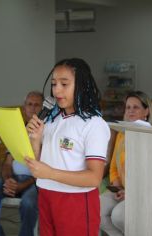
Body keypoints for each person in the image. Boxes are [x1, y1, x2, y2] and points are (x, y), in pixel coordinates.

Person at [25, 58, 111, 236]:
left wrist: (50, 173)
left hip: (76, 201)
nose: (57, 90)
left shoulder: (94, 124)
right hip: (46, 194)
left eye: (64, 84)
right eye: (54, 84)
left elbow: (94, 178)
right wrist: (35, 140)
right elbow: (40, 164)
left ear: (81, 85)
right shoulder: (50, 119)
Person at [0, 91, 43, 236]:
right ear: (24, 109)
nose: (33, 108)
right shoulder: (17, 131)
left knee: (28, 204)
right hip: (13, 179)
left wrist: (22, 186)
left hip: (36, 182)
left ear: (44, 109)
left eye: (37, 105)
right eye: (29, 104)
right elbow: (6, 164)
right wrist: (8, 181)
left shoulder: (48, 133)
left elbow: (43, 172)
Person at [100, 90, 152, 236]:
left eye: (135, 107)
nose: (130, 111)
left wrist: (130, 191)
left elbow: (150, 173)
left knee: (118, 215)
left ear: (146, 111)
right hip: (121, 190)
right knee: (97, 209)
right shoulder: (122, 133)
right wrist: (116, 186)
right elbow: (113, 167)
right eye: (128, 107)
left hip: (142, 192)